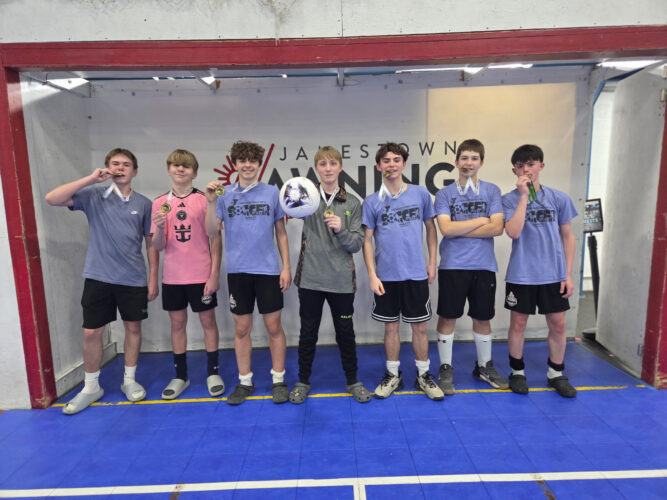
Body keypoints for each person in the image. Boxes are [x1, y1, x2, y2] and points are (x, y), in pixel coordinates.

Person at [45, 148, 158, 415]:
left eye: (126, 164)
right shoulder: (94, 195)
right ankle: (91, 387)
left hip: (133, 279)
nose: (120, 168)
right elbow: (52, 198)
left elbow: (151, 243)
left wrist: (153, 278)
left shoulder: (144, 204)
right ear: (107, 168)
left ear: (135, 171)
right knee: (91, 333)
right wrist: (90, 179)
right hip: (98, 277)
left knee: (133, 329)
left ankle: (129, 381)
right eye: (115, 163)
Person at [205, 141, 291, 405]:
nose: (247, 165)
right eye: (242, 160)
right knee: (242, 328)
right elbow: (211, 231)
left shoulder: (272, 193)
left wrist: (286, 266)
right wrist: (211, 202)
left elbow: (281, 233)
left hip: (267, 271)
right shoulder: (224, 194)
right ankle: (245, 381)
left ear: (259, 164)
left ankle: (278, 380)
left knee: (273, 326)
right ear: (235, 164)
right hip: (238, 272)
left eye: (252, 160)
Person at [362, 142, 444, 401]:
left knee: (420, 328)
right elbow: (367, 240)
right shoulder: (371, 201)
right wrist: (372, 274)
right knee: (391, 328)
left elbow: (431, 229)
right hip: (386, 277)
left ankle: (424, 375)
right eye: (386, 161)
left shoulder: (420, 194)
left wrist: (432, 262)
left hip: (415, 274)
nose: (391, 165)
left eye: (396, 160)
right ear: (379, 166)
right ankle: (392, 375)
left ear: (404, 164)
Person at [289, 146, 371, 404]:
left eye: (332, 163)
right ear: (316, 168)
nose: (328, 168)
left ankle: (353, 381)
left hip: (341, 281)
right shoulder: (305, 198)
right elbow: (286, 208)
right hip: (310, 279)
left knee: (345, 333)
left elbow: (356, 243)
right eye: (323, 164)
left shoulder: (352, 202)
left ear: (340, 167)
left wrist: (340, 229)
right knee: (308, 333)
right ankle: (302, 381)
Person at [434, 139, 508, 394]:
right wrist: (480, 220)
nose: (468, 163)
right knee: (448, 316)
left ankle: (484, 366)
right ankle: (445, 368)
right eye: (464, 158)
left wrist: (460, 228)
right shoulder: (445, 194)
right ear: (456, 162)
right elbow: (446, 229)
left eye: (474, 158)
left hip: (484, 266)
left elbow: (497, 228)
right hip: (453, 265)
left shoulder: (492, 191)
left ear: (481, 162)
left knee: (483, 317)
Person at [502, 144, 578, 397]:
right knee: (518, 323)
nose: (526, 169)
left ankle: (556, 372)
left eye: (531, 164)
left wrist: (567, 274)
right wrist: (524, 196)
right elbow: (513, 232)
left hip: (553, 274)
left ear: (541, 166)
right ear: (514, 171)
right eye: (521, 166)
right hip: (521, 273)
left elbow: (568, 236)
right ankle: (517, 372)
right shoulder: (508, 200)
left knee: (557, 324)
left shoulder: (559, 198)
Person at [150, 149, 224, 400]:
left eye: (186, 166)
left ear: (194, 172)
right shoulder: (159, 203)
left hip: (201, 275)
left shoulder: (205, 199)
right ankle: (180, 375)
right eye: (175, 165)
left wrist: (214, 275)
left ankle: (213, 373)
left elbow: (215, 238)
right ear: (168, 169)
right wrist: (160, 228)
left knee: (208, 323)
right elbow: (158, 246)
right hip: (173, 277)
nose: (180, 169)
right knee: (177, 324)